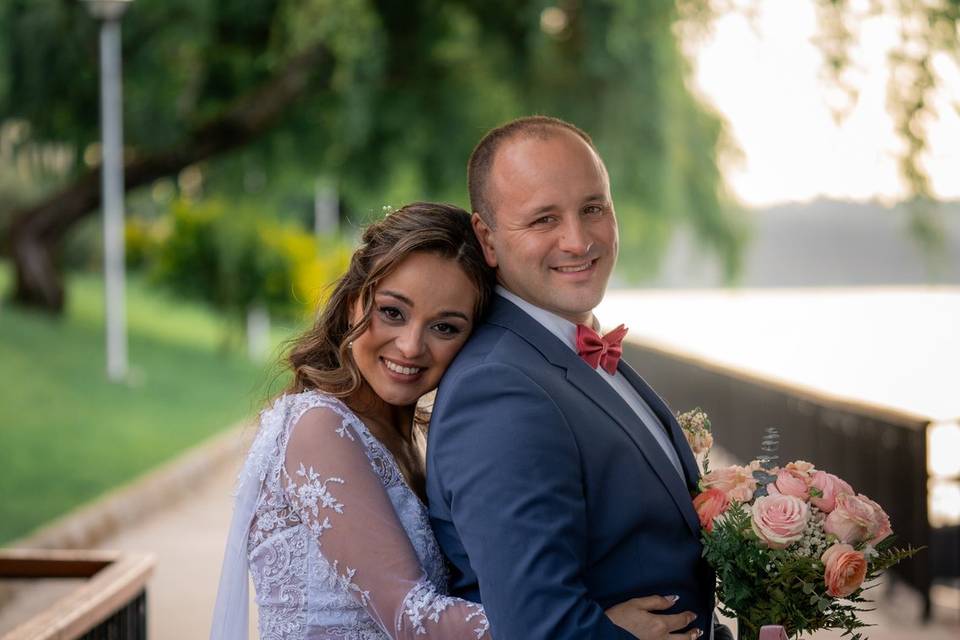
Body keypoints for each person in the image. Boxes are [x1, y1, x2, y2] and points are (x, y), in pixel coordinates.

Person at [210, 201, 681, 639]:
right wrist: (588, 624)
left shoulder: (411, 437)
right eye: (392, 312)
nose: (412, 346)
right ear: (354, 300)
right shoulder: (318, 426)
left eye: (445, 327)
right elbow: (412, 617)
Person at [426, 117, 731, 640]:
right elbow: (536, 628)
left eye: (593, 208)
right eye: (543, 219)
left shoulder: (565, 350)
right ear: (488, 238)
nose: (578, 239)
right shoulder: (499, 388)